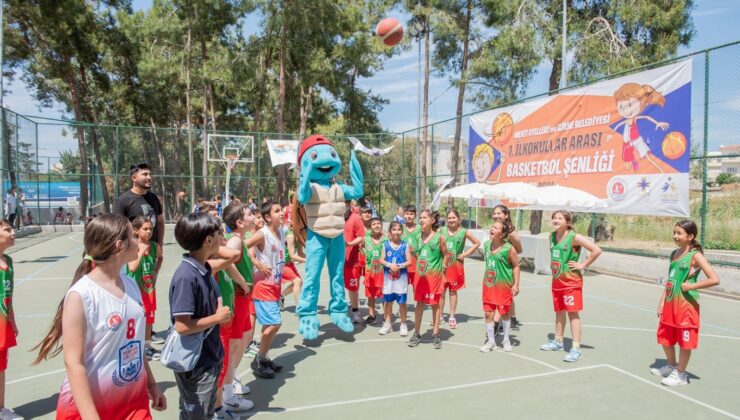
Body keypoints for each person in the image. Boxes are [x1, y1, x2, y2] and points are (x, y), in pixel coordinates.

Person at [33, 214, 167, 419]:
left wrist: (151, 383)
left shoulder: (130, 285)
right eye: (133, 236)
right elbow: (74, 363)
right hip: (89, 408)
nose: (139, 241)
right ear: (119, 245)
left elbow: (134, 345)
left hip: (133, 402)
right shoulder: (82, 295)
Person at [169, 213, 235, 419]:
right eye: (218, 233)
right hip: (196, 364)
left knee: (203, 411)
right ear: (208, 240)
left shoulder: (203, 268)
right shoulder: (186, 276)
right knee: (196, 413)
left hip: (208, 356)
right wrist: (217, 318)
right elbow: (182, 326)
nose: (222, 238)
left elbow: (233, 255)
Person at [652, 220, 719, 386]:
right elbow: (670, 280)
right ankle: (671, 365)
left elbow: (714, 279)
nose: (675, 236)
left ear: (690, 236)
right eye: (674, 232)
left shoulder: (695, 256)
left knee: (684, 342)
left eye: (679, 233)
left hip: (686, 308)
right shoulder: (674, 254)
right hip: (670, 304)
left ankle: (681, 374)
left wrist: (691, 286)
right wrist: (661, 302)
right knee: (665, 338)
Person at [540, 210, 602, 362]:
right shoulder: (551, 236)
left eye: (559, 218)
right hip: (557, 281)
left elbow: (596, 250)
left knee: (572, 313)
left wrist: (583, 265)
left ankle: (576, 348)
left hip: (571, 283)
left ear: (567, 222)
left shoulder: (574, 237)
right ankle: (558, 341)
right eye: (554, 217)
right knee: (559, 311)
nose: (555, 220)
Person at [212, 204, 256, 416]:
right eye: (248, 213)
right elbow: (229, 263)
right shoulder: (235, 240)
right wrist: (243, 282)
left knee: (240, 342)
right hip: (236, 298)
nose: (252, 215)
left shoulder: (239, 239)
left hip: (239, 297)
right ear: (239, 222)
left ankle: (230, 385)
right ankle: (227, 394)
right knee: (233, 345)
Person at [246, 201, 285, 379]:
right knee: (274, 323)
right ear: (268, 217)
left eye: (281, 209)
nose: (282, 212)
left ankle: (263, 356)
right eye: (277, 211)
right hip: (263, 286)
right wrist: (257, 263)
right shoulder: (263, 234)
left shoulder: (281, 232)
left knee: (271, 324)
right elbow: (243, 246)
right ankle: (259, 359)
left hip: (275, 285)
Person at [408, 209, 448, 349]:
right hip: (420, 278)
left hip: (434, 279)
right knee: (419, 304)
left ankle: (435, 334)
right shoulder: (417, 237)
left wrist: (442, 267)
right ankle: (416, 333)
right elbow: (417, 254)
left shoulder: (439, 238)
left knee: (435, 305)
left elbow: (446, 254)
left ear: (432, 220)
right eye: (420, 217)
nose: (421, 220)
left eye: (425, 217)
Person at [113, 163, 165, 270]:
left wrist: (159, 245)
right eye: (145, 174)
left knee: (148, 285)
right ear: (134, 178)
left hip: (150, 255)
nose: (149, 177)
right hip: (131, 256)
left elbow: (160, 222)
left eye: (150, 174)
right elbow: (117, 230)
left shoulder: (153, 198)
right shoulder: (122, 200)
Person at [126, 217, 163, 361]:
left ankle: (147, 347)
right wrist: (140, 251)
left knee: (148, 318)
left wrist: (155, 271)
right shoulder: (133, 246)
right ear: (136, 230)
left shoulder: (154, 246)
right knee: (136, 319)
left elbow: (160, 258)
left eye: (150, 229)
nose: (149, 232)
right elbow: (132, 267)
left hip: (148, 289)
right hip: (134, 289)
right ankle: (134, 345)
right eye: (145, 229)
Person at [481, 221, 520, 353]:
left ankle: (506, 340)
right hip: (489, 285)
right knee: (488, 313)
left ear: (502, 234)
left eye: (496, 228)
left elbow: (516, 266)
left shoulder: (509, 248)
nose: (492, 229)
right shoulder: (486, 245)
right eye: (492, 226)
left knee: (505, 313)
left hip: (504, 286)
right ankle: (491, 341)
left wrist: (516, 284)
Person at [438, 209, 480, 329]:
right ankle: (440, 315)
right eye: (449, 218)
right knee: (441, 292)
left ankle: (451, 316)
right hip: (443, 266)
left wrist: (466, 254)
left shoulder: (463, 232)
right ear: (446, 220)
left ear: (459, 219)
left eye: (454, 218)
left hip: (456, 266)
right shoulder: (441, 231)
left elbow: (477, 243)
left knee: (453, 291)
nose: (451, 220)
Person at [0, 220, 20, 420]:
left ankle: (1, 408)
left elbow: (8, 295)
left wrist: (12, 320)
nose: (12, 232)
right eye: (7, 229)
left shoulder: (9, 261)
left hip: (3, 322)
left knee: (1, 367)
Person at [378, 221, 411, 336]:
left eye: (398, 230)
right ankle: (387, 324)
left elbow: (409, 261)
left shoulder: (405, 245)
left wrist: (399, 266)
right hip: (388, 280)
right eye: (394, 229)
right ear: (390, 231)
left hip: (401, 280)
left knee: (402, 303)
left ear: (402, 231)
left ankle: (403, 324)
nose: (396, 232)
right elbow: (381, 259)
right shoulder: (385, 244)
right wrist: (389, 265)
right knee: (388, 302)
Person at [493, 204, 523, 330]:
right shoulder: (495, 228)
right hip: (496, 267)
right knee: (503, 295)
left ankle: (500, 321)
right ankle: (512, 319)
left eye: (499, 213)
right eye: (494, 213)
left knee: (504, 295)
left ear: (506, 215)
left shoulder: (511, 233)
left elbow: (519, 250)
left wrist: (508, 254)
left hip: (507, 268)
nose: (496, 216)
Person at [343, 202, 366, 324]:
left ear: (348, 204)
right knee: (338, 286)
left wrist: (350, 244)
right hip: (337, 260)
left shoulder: (355, 218)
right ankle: (340, 310)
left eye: (344, 203)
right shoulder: (334, 218)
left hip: (352, 260)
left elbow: (361, 237)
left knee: (353, 286)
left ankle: (355, 311)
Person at [363, 217, 386, 325]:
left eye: (378, 224)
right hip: (370, 273)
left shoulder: (386, 239)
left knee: (384, 296)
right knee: (370, 295)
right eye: (374, 224)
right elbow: (360, 247)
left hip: (382, 273)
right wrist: (366, 259)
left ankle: (386, 316)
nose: (377, 226)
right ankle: (372, 315)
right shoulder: (366, 239)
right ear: (370, 227)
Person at [282, 223, 305, 309]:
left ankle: (281, 296)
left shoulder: (298, 236)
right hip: (281, 263)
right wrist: (306, 260)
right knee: (297, 281)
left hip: (289, 263)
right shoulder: (290, 236)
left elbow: (300, 253)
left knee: (299, 283)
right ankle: (299, 308)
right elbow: (292, 255)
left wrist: (311, 258)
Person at [401, 205, 421, 290]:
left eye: (411, 214)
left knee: (416, 288)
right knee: (402, 289)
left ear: (415, 215)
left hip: (416, 263)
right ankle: (403, 303)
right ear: (404, 215)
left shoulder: (420, 228)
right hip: (403, 262)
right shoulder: (400, 227)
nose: (409, 216)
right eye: (407, 214)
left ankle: (419, 303)